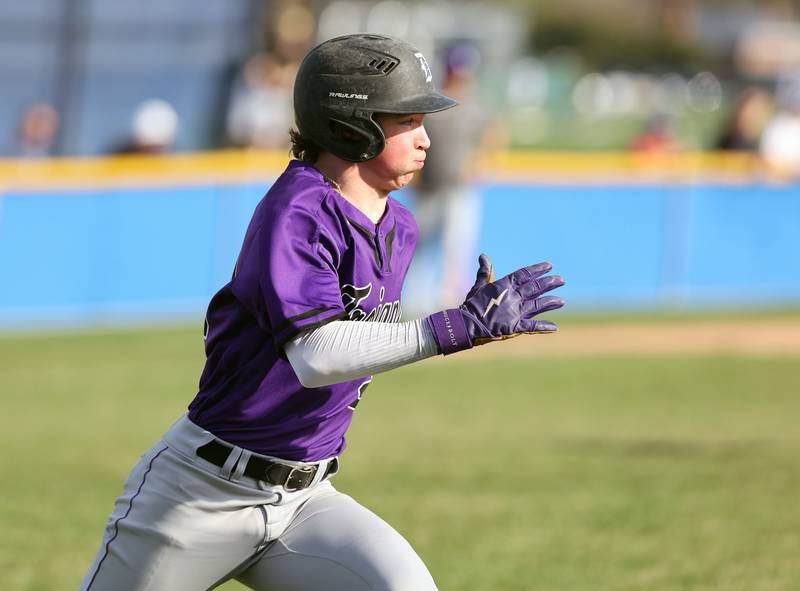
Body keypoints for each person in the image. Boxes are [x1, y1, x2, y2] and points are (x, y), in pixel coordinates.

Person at [79, 34, 565, 591]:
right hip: (201, 494)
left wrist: (455, 328)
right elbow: (314, 356)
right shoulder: (297, 211)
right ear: (350, 123)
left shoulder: (399, 226)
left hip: (305, 501)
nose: (426, 138)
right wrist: (453, 327)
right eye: (407, 119)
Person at [408, 41, 496, 314]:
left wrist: (482, 162)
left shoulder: (475, 105)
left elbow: (494, 132)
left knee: (455, 250)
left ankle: (451, 306)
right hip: (430, 188)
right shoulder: (434, 102)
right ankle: (413, 303)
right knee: (417, 248)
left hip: (460, 189)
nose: (461, 75)